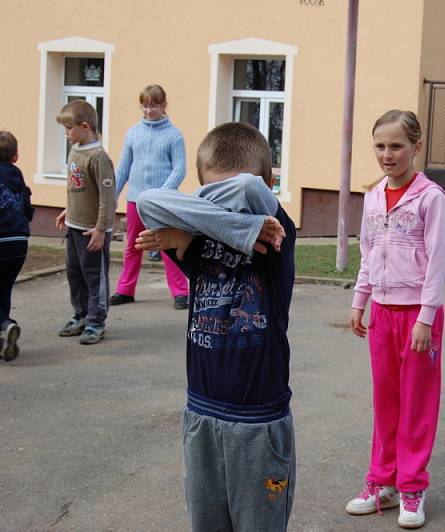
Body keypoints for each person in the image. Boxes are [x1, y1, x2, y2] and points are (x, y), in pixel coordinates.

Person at [134, 122, 294, 531]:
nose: (226, 211)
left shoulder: (275, 234)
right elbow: (148, 201)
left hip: (259, 426)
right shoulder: (196, 241)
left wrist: (236, 223)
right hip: (201, 418)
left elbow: (248, 190)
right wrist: (225, 226)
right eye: (211, 197)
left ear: (271, 180)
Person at [346, 110, 445, 529]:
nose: (387, 155)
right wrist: (360, 301)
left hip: (419, 318)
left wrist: (426, 318)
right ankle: (381, 482)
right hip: (383, 314)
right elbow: (368, 253)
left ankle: (412, 487)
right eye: (380, 146)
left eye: (396, 146)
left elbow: (438, 264)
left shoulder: (431, 198)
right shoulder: (372, 197)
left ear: (416, 147)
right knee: (385, 401)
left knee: (416, 405)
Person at [111, 84, 189, 309]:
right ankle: (125, 290)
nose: (149, 110)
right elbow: (123, 168)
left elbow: (179, 169)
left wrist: (161, 195)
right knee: (133, 246)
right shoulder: (133, 133)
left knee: (167, 246)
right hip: (135, 200)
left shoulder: (174, 135)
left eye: (153, 105)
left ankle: (180, 292)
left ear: (164, 105)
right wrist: (112, 197)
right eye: (144, 106)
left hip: (161, 203)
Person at [55, 100, 116, 345]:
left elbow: (107, 197)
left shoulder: (98, 157)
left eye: (69, 128)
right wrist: (67, 210)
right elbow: (76, 188)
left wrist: (101, 229)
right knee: (74, 273)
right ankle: (80, 314)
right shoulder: (76, 150)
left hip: (93, 230)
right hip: (74, 225)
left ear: (85, 126)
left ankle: (96, 321)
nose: (67, 133)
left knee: (95, 276)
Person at [0, 131, 34, 362]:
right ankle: (4, 340)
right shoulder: (18, 176)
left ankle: (6, 324)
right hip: (19, 244)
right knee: (4, 290)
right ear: (16, 156)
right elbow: (28, 211)